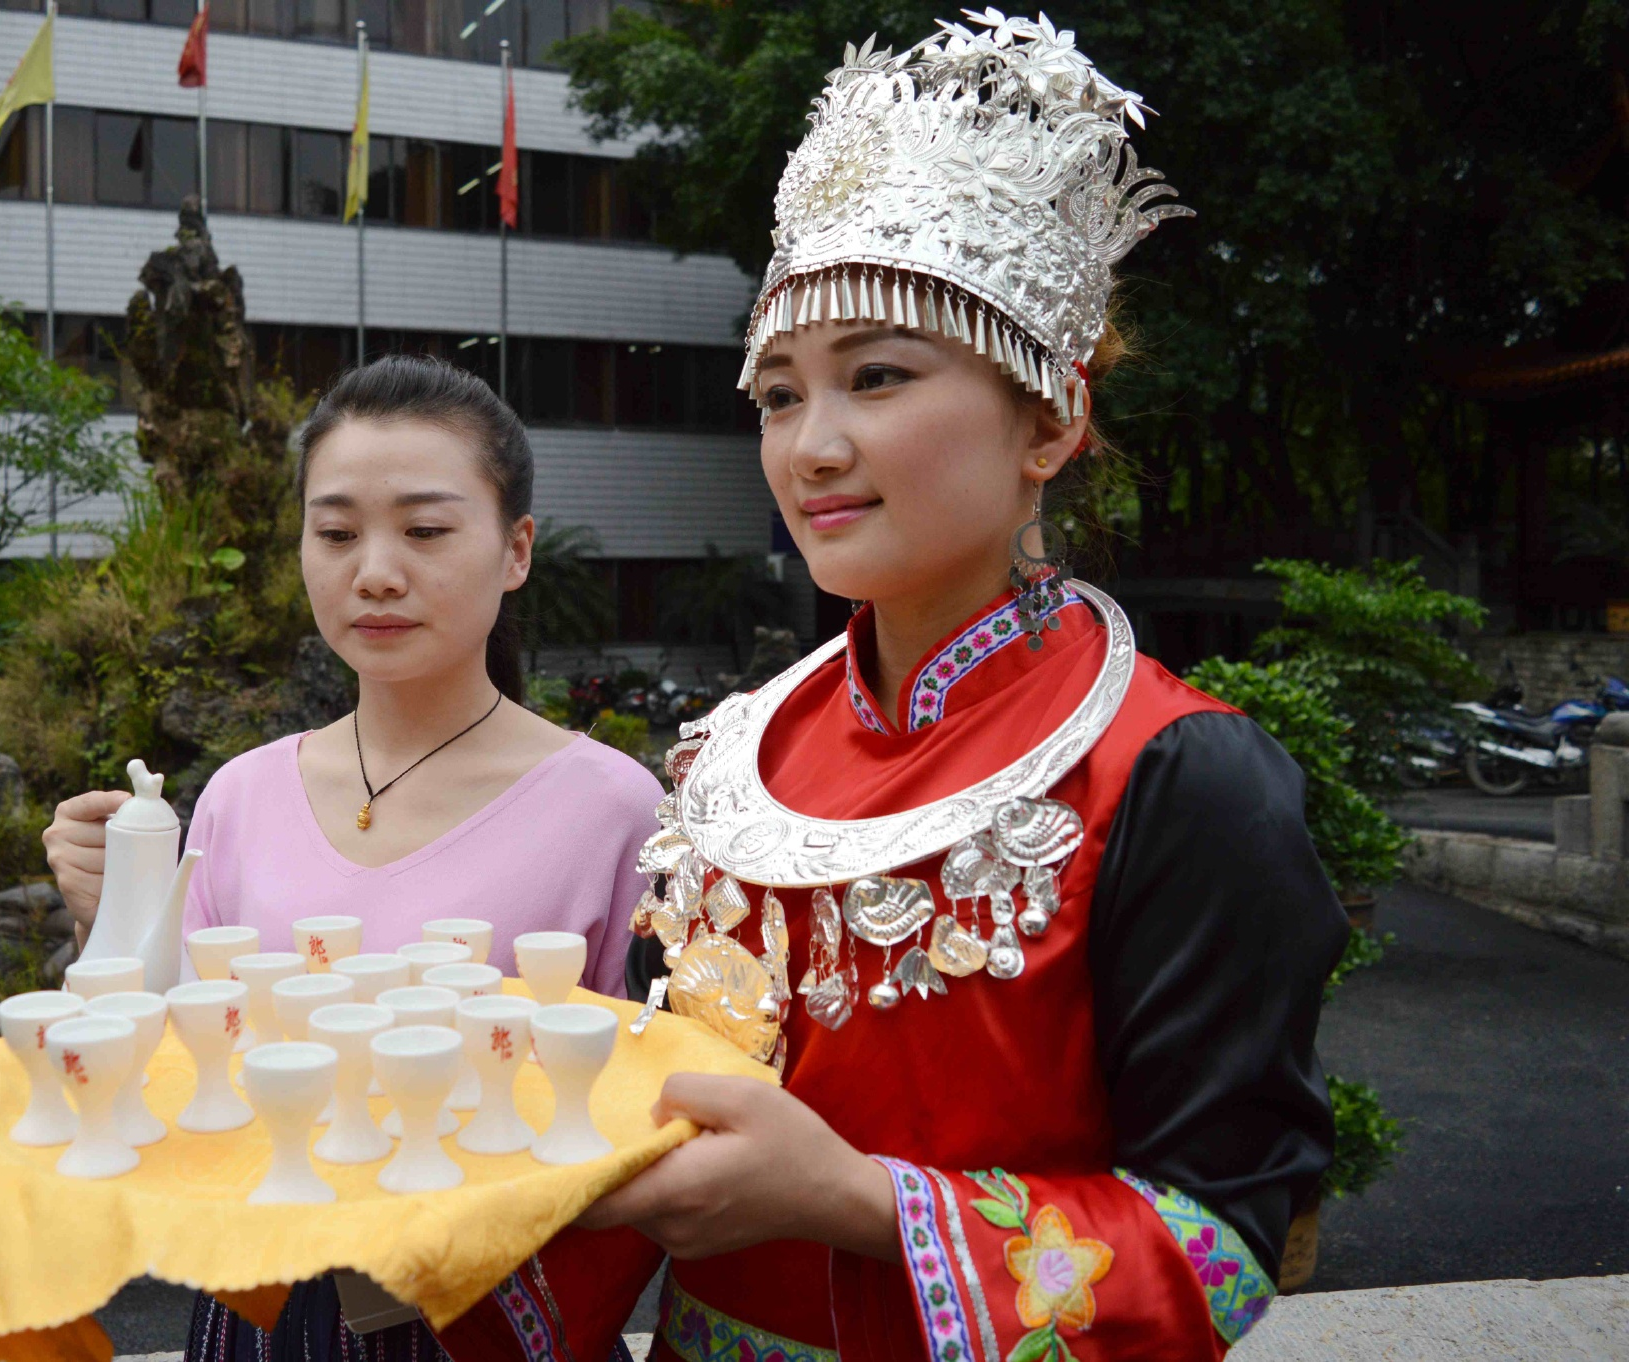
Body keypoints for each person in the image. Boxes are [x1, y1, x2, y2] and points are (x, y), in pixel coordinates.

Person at [435, 16, 1349, 1361]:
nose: (815, 445)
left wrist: (864, 1202)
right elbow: (639, 1132)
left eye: (877, 376)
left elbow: (1221, 1247)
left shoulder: (1177, 778)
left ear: (1050, 420)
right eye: (778, 393)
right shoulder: (733, 762)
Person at [42, 354, 662, 1361]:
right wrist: (108, 917)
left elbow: (648, 1105)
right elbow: (166, 1069)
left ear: (515, 550)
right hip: (266, 1310)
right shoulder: (241, 795)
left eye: (423, 530)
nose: (374, 569)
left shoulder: (615, 812)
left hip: (496, 1316)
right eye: (335, 533)